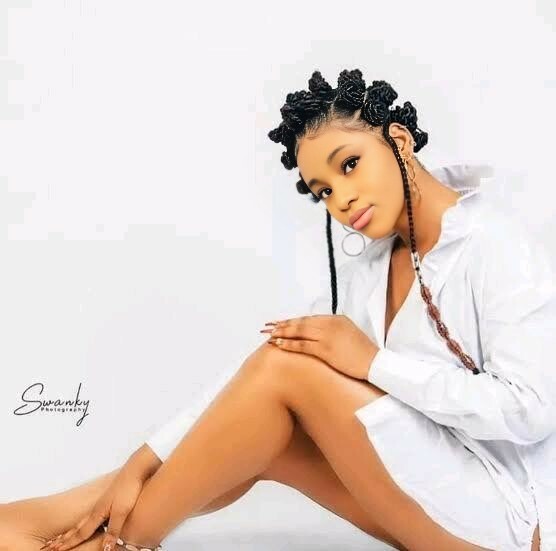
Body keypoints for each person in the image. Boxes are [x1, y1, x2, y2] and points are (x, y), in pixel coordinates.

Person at [2, 69, 553, 551]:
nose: (341, 199)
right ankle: (49, 520)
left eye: (350, 164)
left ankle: (122, 544)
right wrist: (141, 461)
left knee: (287, 370)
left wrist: (373, 364)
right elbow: (254, 375)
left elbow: (532, 409)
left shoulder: (495, 244)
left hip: (510, 522)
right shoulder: (372, 266)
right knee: (266, 426)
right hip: (431, 502)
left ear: (400, 141)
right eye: (322, 190)